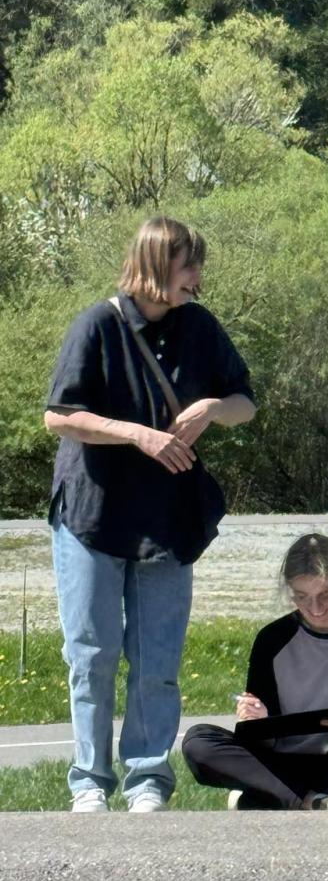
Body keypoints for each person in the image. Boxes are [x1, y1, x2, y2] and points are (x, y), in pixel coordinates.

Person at [44, 216, 256, 813]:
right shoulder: (97, 324)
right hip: (92, 515)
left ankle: (147, 780)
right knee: (91, 655)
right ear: (156, 263)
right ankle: (90, 781)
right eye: (189, 265)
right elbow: (59, 416)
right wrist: (137, 434)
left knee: (157, 661)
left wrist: (212, 408)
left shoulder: (200, 327)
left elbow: (245, 403)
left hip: (168, 519)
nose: (197, 277)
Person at [182, 534, 328, 810]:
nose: (315, 609)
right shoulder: (273, 639)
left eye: (326, 595)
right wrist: (256, 720)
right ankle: (316, 801)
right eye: (302, 597)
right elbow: (263, 738)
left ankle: (275, 797)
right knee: (198, 741)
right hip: (285, 764)